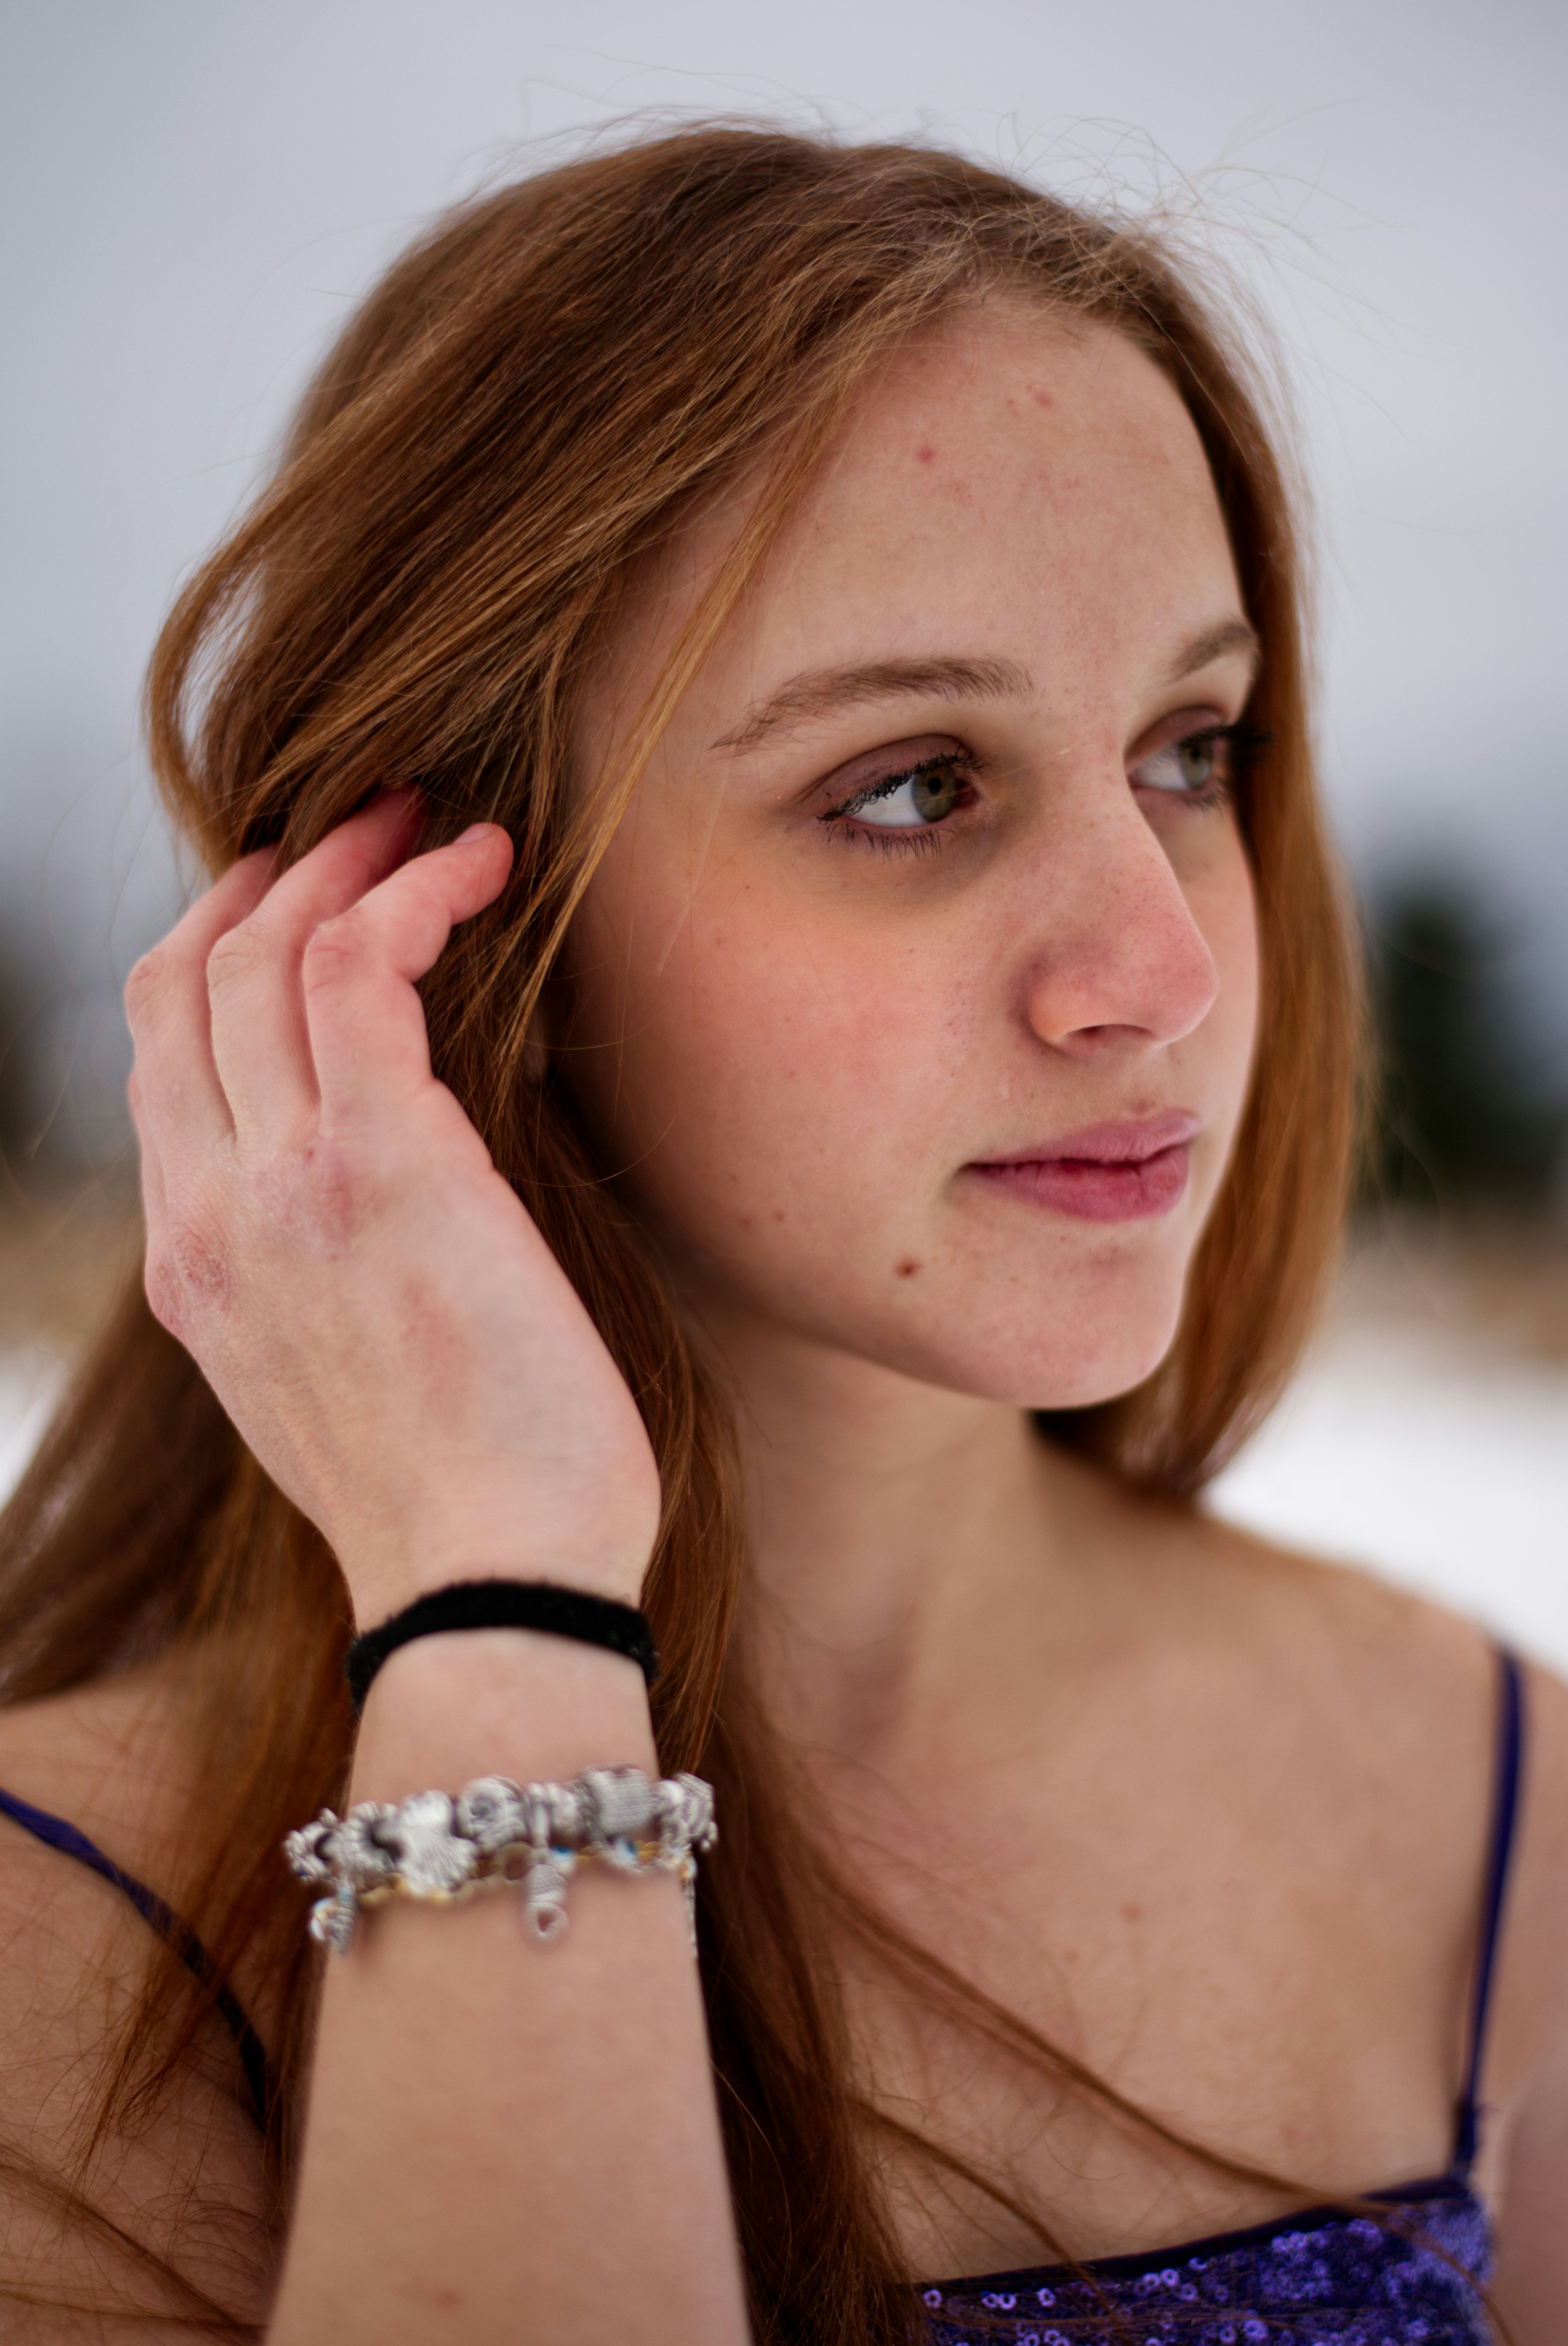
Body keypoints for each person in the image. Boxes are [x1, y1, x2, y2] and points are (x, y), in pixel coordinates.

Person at [0, 126, 1562, 2345]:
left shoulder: (1492, 1804)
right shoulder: (71, 1959)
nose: (1164, 969)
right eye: (913, 783)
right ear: (441, 919)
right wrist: (500, 1596)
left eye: (1193, 748)